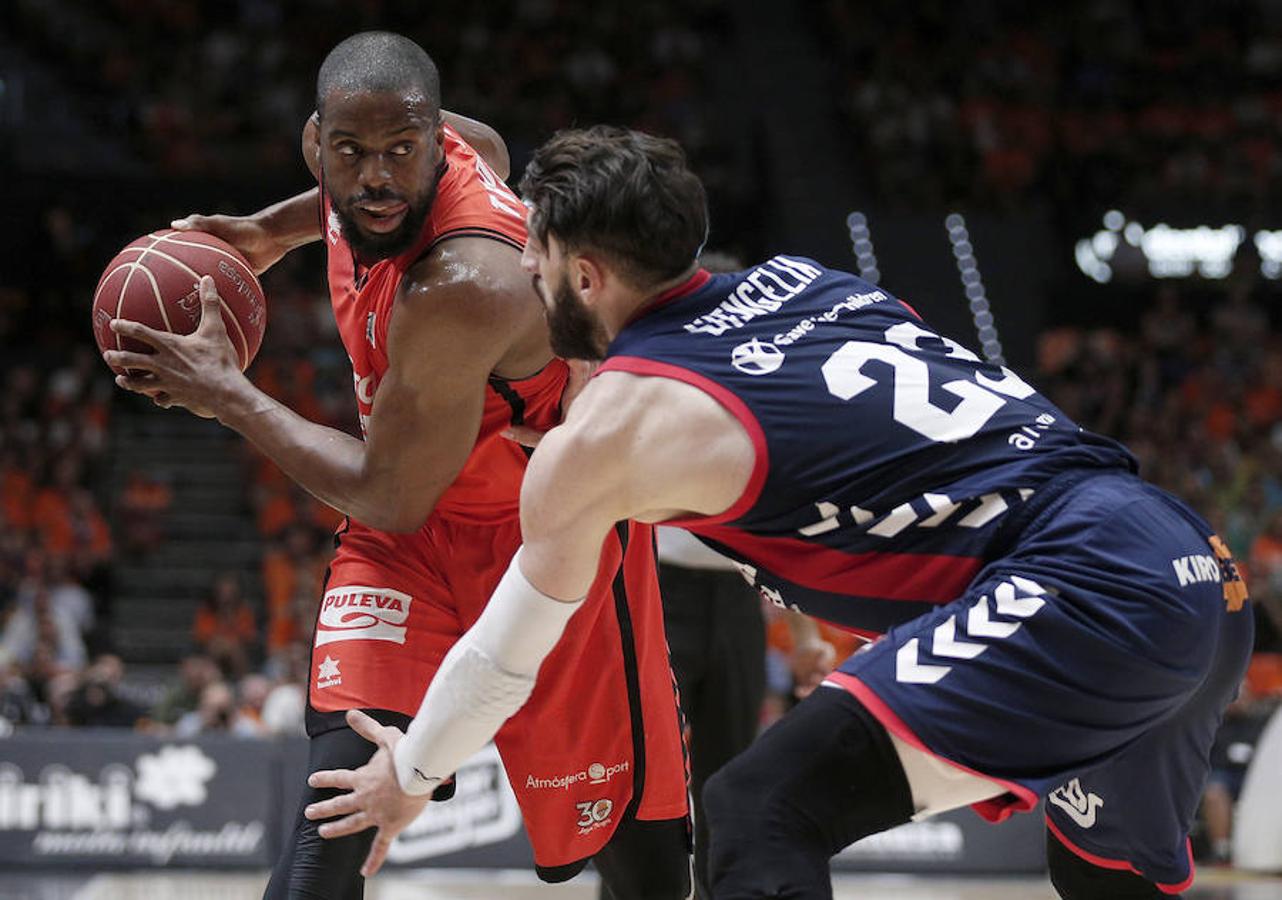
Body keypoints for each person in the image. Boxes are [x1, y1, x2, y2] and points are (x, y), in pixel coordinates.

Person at [301, 126, 1255, 900]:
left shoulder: (611, 431)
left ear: (583, 274)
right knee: (1106, 883)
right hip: (1188, 563)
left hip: (1083, 587)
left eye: (535, 258)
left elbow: (504, 658)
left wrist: (410, 777)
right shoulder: (809, 281)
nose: (527, 279)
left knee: (757, 811)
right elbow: (878, 469)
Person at [103, 37, 689, 900]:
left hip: (546, 542)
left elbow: (388, 491)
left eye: (400, 152)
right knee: (331, 818)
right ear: (317, 144)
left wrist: (228, 394)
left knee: (638, 861)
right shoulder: (416, 161)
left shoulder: (465, 281)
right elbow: (396, 515)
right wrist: (270, 230)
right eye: (350, 153)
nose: (376, 177)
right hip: (405, 551)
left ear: (432, 143)